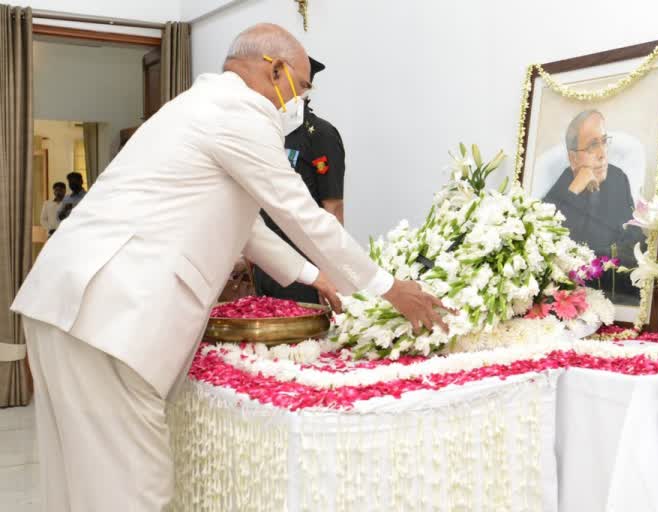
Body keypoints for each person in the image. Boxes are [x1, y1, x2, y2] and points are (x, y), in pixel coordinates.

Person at [11, 24, 447, 511]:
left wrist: (314, 277)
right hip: (110, 313)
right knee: (135, 489)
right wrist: (389, 288)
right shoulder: (240, 113)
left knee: (78, 485)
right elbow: (299, 211)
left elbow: (246, 227)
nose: (298, 102)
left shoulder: (196, 108)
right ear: (274, 70)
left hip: (66, 304)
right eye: (301, 88)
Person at [254, 56, 346, 304]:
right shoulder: (266, 133)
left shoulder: (319, 134)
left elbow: (333, 208)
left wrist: (331, 270)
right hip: (266, 261)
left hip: (306, 264)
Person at [542, 109, 644, 304]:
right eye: (592, 146)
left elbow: (632, 234)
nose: (602, 154)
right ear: (573, 158)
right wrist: (574, 190)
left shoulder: (618, 178)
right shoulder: (564, 186)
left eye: (604, 141)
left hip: (617, 289)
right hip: (575, 294)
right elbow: (546, 235)